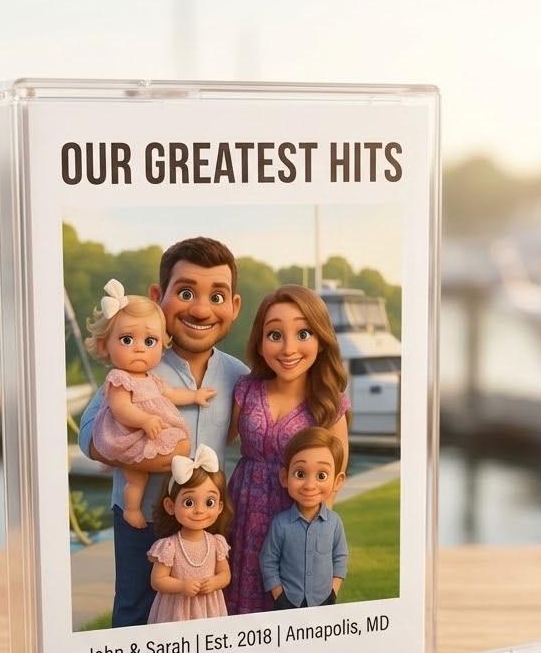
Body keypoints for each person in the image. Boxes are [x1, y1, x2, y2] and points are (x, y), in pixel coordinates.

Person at [78, 238, 247, 627]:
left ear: (234, 307)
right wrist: (150, 455)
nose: (201, 309)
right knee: (137, 608)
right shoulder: (137, 364)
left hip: (203, 520)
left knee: (200, 612)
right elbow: (89, 436)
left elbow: (239, 436)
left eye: (217, 296)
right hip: (141, 517)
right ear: (158, 296)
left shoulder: (238, 375)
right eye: (186, 292)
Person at [225, 285, 350, 615]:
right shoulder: (245, 390)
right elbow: (214, 440)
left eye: (303, 332)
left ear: (321, 339)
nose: (289, 348)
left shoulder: (330, 404)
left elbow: (331, 487)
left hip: (295, 521)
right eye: (275, 334)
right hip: (240, 514)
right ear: (260, 341)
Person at [83, 279, 213, 528]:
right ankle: (132, 510)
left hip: (147, 432)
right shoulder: (118, 378)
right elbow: (121, 408)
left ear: (162, 343)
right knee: (135, 478)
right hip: (129, 432)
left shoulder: (152, 379)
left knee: (146, 469)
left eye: (149, 341)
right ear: (104, 345)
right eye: (127, 340)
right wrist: (144, 420)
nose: (139, 349)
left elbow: (172, 394)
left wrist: (195, 396)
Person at [260, 427, 348, 610]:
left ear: (337, 481)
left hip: (324, 602)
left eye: (321, 475)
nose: (309, 485)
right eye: (300, 474)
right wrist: (279, 595)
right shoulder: (280, 524)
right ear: (285, 477)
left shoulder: (334, 523)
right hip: (286, 603)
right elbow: (268, 560)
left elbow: (340, 558)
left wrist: (333, 592)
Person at [147, 445, 232, 623]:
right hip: (177, 611)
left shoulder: (216, 543)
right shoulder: (169, 546)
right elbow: (158, 580)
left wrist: (215, 582)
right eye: (188, 502)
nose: (199, 510)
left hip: (209, 609)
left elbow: (225, 574)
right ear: (170, 506)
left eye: (209, 502)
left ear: (220, 507)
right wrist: (181, 586)